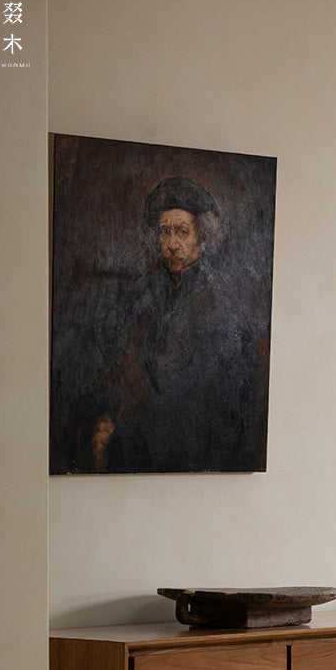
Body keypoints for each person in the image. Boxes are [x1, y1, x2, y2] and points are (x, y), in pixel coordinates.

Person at [57, 176, 264, 473]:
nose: (172, 245)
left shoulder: (214, 305)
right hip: (166, 425)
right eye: (165, 232)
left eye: (182, 232)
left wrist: (123, 428)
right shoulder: (162, 288)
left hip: (200, 444)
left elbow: (192, 402)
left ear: (203, 240)